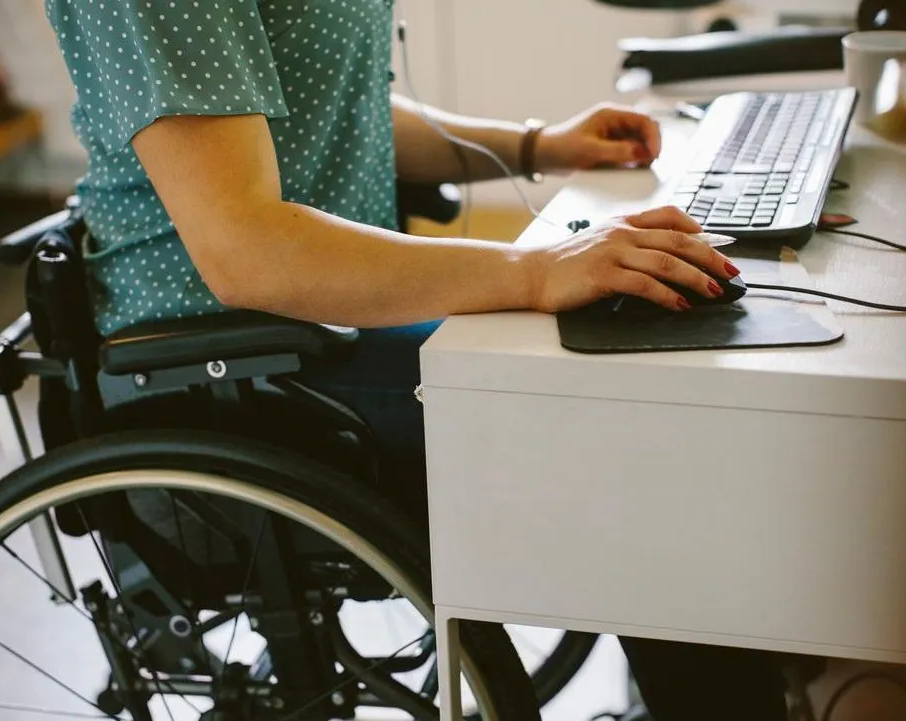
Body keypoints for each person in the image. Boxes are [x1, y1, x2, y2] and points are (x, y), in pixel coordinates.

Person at [43, 0, 786, 718]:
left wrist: (538, 145)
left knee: (654, 378)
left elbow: (338, 108)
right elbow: (246, 253)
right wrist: (535, 271)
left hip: (322, 322)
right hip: (222, 357)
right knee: (639, 429)